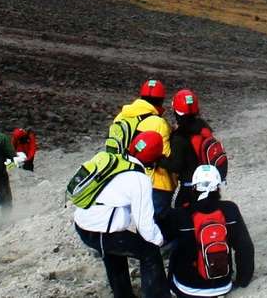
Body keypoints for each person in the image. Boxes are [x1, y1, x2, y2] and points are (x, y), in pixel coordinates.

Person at [74, 129, 170, 298]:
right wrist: (159, 240)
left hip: (83, 224)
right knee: (149, 251)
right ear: (154, 158)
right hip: (100, 231)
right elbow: (145, 224)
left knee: (114, 252)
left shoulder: (114, 159)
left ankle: (123, 294)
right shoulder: (139, 179)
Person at [158, 164, 255, 297]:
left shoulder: (180, 214)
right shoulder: (230, 209)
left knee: (175, 249)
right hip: (223, 285)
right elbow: (245, 247)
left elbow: (159, 239)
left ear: (193, 187)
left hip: (188, 287)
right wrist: (243, 280)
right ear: (218, 187)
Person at [109, 79, 178, 206]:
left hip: (123, 177)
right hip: (154, 184)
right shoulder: (158, 123)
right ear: (162, 100)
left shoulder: (121, 117)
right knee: (156, 223)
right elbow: (167, 157)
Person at [167, 88, 229, 206]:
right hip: (210, 185)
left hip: (189, 188)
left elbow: (176, 166)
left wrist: (158, 161)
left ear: (175, 111)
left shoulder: (179, 137)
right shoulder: (203, 126)